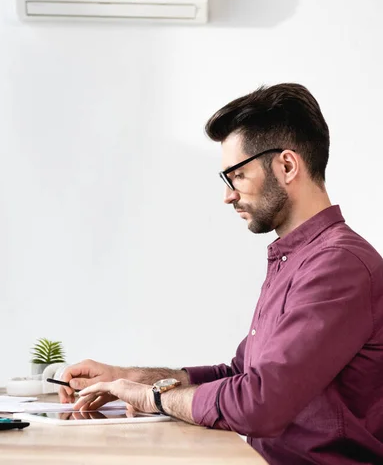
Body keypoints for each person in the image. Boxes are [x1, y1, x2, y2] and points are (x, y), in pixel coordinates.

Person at [60, 83, 383, 465]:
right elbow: (238, 373)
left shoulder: (338, 266)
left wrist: (155, 398)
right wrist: (128, 377)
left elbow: (259, 404)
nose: (228, 195)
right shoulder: (297, 259)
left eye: (238, 175)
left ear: (287, 166)